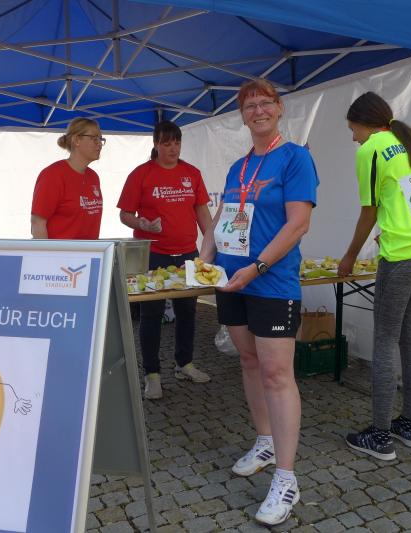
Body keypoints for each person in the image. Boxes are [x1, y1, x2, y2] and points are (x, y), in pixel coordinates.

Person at [199, 79, 318, 526]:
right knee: (249, 363)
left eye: (265, 103)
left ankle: (286, 478)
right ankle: (264, 441)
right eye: (249, 106)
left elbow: (298, 224)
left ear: (279, 108)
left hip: (272, 283)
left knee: (276, 374)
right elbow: (222, 217)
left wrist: (258, 266)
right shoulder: (239, 166)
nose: (258, 111)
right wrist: (204, 260)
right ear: (243, 115)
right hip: (232, 282)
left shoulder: (296, 158)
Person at [337, 91, 411, 461]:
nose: (354, 138)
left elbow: (368, 211)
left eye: (353, 130)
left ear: (365, 123)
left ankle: (380, 435)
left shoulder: (372, 149)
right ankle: (410, 425)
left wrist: (349, 256)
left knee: (385, 340)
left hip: (400, 256)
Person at [117, 121, 213, 400]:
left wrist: (212, 245)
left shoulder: (191, 173)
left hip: (187, 254)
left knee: (188, 311)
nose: (173, 148)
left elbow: (202, 212)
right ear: (156, 144)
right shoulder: (141, 174)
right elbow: (125, 214)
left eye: (177, 142)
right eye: (167, 143)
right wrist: (142, 224)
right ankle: (152, 375)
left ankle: (184, 364)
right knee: (151, 314)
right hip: (153, 254)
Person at [31, 118, 104, 239]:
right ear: (77, 140)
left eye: (100, 139)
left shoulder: (93, 177)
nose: (99, 144)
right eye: (94, 138)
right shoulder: (53, 175)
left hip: (90, 250)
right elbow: (37, 223)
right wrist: (46, 251)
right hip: (59, 251)